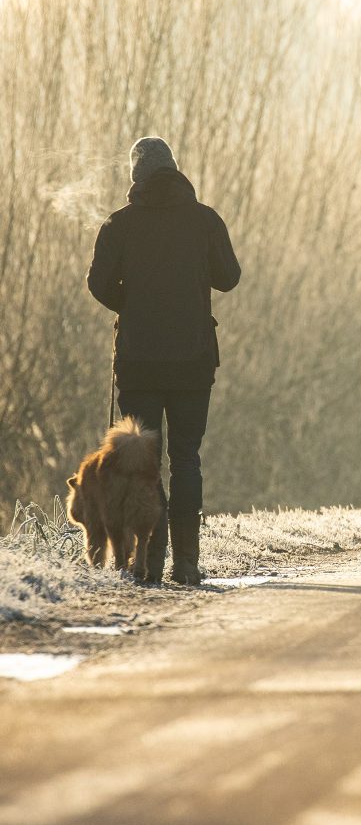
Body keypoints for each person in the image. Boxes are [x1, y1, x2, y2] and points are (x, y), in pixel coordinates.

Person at [87, 137, 241, 584]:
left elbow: (97, 283)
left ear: (136, 177)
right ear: (175, 170)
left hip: (138, 362)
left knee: (141, 463)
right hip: (193, 359)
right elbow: (229, 278)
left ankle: (149, 565)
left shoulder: (119, 224)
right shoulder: (205, 220)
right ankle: (187, 563)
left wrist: (131, 305)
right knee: (186, 458)